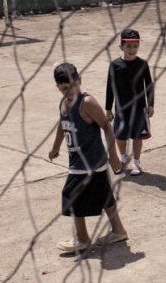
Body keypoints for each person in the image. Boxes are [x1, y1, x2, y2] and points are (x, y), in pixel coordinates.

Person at [48, 63, 129, 252]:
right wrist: (55, 147)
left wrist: (113, 155)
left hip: (88, 163)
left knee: (70, 196)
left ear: (80, 80)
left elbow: (106, 126)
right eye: (63, 89)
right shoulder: (65, 103)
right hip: (80, 161)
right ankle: (118, 230)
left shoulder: (87, 103)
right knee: (104, 196)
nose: (68, 92)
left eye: (72, 86)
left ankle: (82, 239)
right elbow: (63, 124)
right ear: (58, 88)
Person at [105, 28, 155, 176]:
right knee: (120, 137)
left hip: (139, 108)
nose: (132, 49)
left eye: (135, 46)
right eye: (128, 46)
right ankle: (123, 159)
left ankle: (137, 163)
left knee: (138, 137)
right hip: (121, 109)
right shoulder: (115, 65)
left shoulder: (142, 64)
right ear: (121, 47)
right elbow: (110, 87)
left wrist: (150, 104)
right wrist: (108, 108)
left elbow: (149, 85)